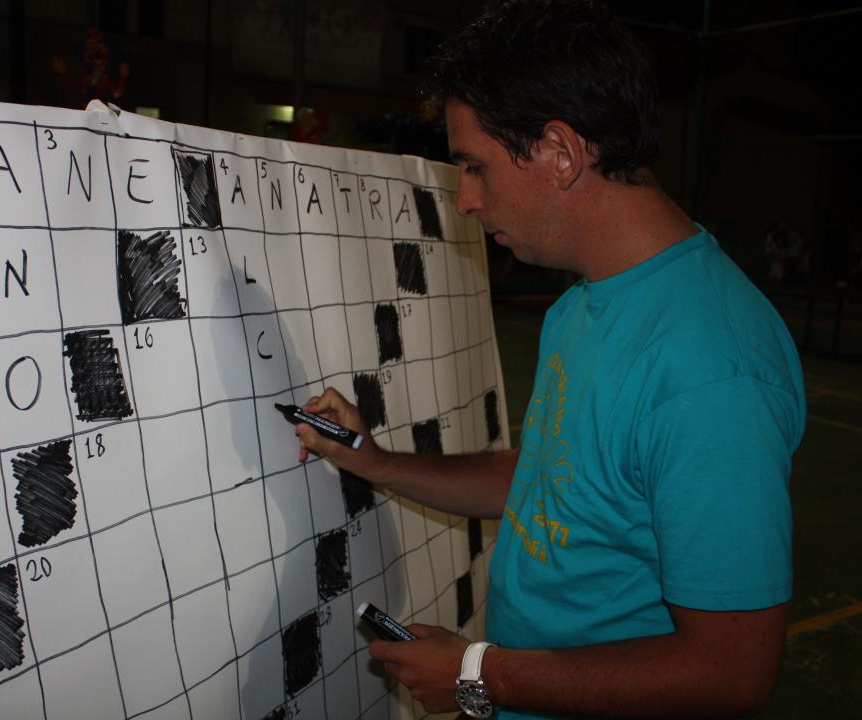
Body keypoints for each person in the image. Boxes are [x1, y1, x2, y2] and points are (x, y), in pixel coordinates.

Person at [292, 1, 805, 717]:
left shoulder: (711, 373)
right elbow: (545, 479)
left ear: (561, 152)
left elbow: (732, 675)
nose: (465, 200)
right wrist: (373, 461)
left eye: (475, 166)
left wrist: (480, 675)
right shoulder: (581, 304)